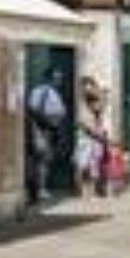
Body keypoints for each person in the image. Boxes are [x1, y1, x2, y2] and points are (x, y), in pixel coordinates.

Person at [26, 69, 70, 205]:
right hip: (41, 129)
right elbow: (33, 109)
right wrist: (45, 122)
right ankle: (38, 190)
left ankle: (40, 188)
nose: (58, 81)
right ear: (48, 78)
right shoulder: (42, 91)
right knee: (41, 159)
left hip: (49, 129)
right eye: (56, 78)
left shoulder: (51, 92)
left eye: (60, 78)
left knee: (44, 160)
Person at [74, 80, 111, 198]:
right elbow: (87, 128)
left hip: (95, 143)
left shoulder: (97, 112)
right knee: (84, 166)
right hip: (87, 142)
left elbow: (103, 106)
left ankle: (92, 190)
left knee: (94, 166)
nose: (97, 104)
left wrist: (105, 96)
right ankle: (85, 191)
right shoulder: (84, 112)